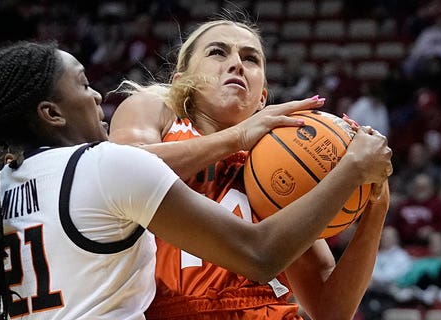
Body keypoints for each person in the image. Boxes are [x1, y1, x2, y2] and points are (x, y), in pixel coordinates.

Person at [0, 41, 391, 320]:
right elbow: (261, 254)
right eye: (83, 84)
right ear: (51, 113)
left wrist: (373, 204)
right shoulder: (110, 160)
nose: (98, 93)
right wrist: (352, 169)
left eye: (251, 57)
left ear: (264, 91)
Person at [109, 18, 392, 319]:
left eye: (250, 58)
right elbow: (119, 173)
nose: (237, 64)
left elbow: (330, 311)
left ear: (262, 98)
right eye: (218, 52)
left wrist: (376, 197)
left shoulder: (284, 159)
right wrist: (237, 137)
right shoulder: (155, 109)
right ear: (181, 81)